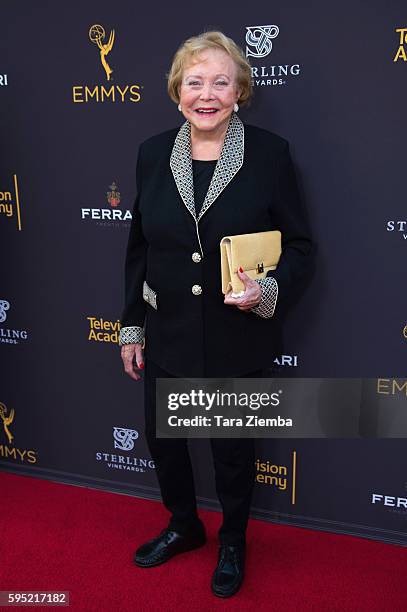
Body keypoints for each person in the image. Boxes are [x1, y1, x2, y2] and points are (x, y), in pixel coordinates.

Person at [119, 30, 312, 598]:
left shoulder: (271, 154)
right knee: (165, 443)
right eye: (194, 81)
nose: (206, 94)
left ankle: (233, 541)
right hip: (168, 332)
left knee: (231, 452)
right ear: (178, 89)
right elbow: (139, 247)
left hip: (236, 336)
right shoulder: (152, 153)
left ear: (239, 92)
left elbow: (301, 247)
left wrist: (267, 292)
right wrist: (132, 325)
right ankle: (183, 526)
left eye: (220, 82)